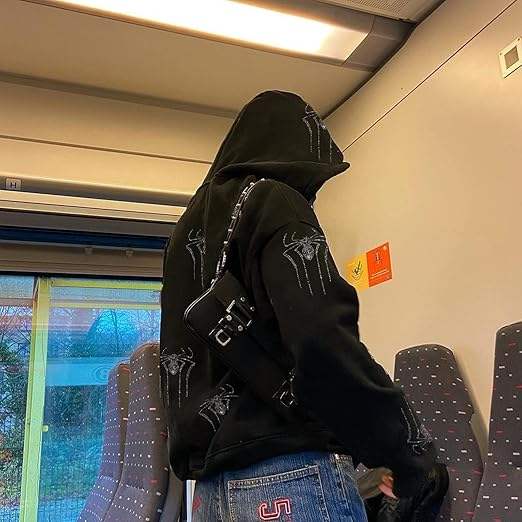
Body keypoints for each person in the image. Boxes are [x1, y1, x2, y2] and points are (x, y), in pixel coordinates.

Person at [160, 91, 437, 521]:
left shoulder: (182, 236)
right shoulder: (274, 200)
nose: (310, 194)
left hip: (209, 493)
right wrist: (408, 456)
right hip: (291, 477)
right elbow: (324, 346)